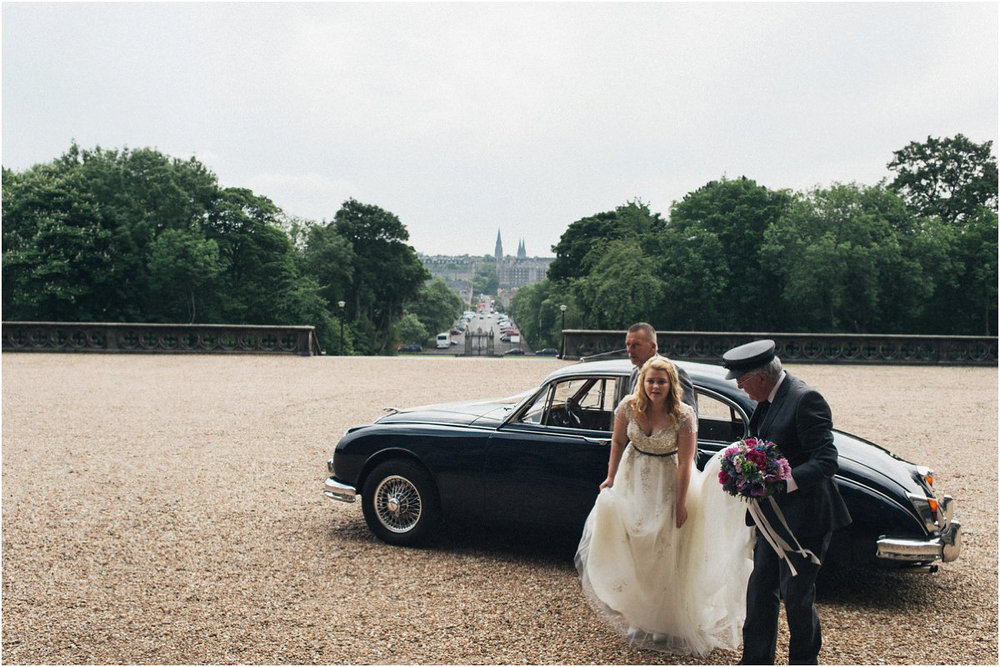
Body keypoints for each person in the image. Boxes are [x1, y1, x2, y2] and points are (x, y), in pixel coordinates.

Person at [575, 356, 753, 657]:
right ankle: (639, 616)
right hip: (632, 479)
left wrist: (681, 503)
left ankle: (664, 622)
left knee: (664, 548)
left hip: (668, 483)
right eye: (650, 381)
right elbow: (617, 443)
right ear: (642, 383)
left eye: (661, 381)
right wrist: (610, 477)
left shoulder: (683, 415)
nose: (655, 386)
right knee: (635, 547)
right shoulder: (628, 407)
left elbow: (685, 462)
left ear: (671, 385)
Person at [721, 340, 852, 665]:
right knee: (760, 590)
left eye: (741, 380)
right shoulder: (765, 399)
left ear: (761, 377)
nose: (739, 386)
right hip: (771, 520)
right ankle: (755, 660)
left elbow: (827, 461)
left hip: (806, 521)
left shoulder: (805, 399)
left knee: (796, 598)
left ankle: (804, 661)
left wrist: (781, 483)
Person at [625, 322, 697, 415]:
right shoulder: (635, 373)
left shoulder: (674, 373)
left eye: (636, 345)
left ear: (653, 347)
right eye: (628, 344)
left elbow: (690, 417)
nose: (629, 350)